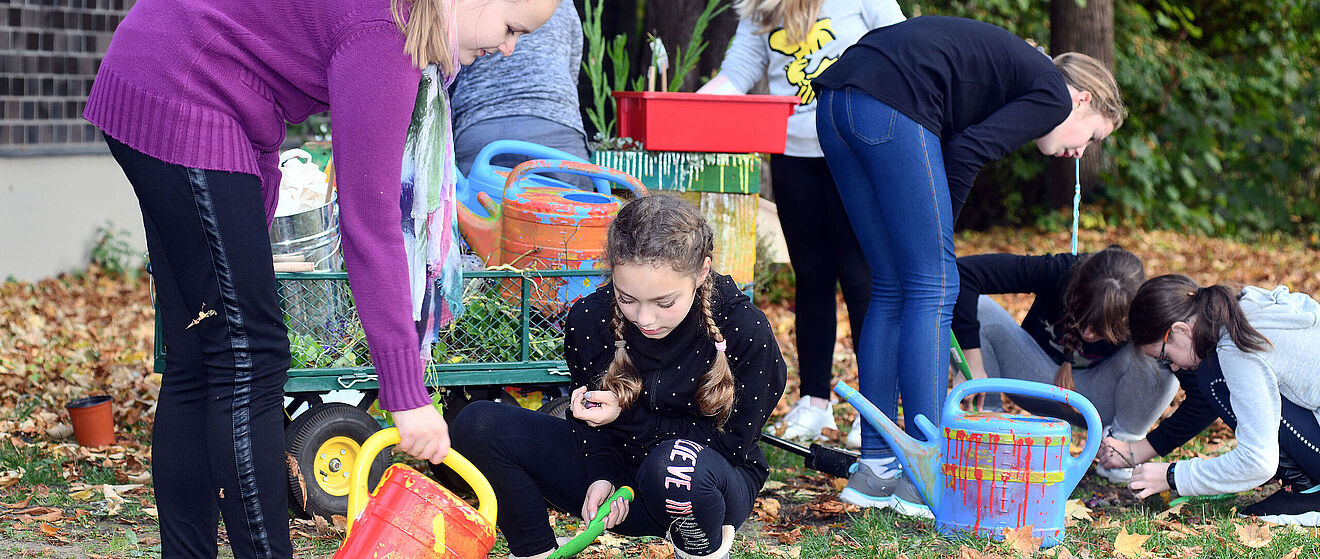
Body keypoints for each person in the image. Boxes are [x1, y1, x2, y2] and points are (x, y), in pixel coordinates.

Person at [82, 0, 557, 556]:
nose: (508, 49)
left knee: (201, 359)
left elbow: (257, 62)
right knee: (250, 360)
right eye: (510, 29)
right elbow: (369, 225)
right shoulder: (388, 28)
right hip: (184, 87)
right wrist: (405, 394)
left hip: (158, 67)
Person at [809, 15, 1127, 511]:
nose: (1079, 152)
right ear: (1083, 100)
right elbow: (965, 152)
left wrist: (930, 237)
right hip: (890, 102)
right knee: (934, 286)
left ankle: (874, 470)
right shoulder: (1053, 94)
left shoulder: (1017, 80)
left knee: (893, 286)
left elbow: (957, 142)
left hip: (834, 104)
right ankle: (924, 474)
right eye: (1092, 137)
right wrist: (937, 237)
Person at [451, 195, 787, 559]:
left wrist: (627, 416)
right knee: (478, 423)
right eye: (627, 298)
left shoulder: (743, 329)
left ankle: (696, 549)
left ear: (702, 271)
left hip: (702, 487)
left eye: (664, 303)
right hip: (618, 484)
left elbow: (731, 444)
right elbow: (589, 423)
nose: (644, 319)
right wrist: (601, 475)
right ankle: (534, 552)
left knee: (673, 467)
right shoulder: (589, 319)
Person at [697, 0, 904, 447]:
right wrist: (691, 111)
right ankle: (813, 402)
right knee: (811, 277)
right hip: (791, 153)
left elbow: (901, 48)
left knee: (860, 278)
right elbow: (739, 70)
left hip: (856, 149)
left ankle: (875, 410)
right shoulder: (764, 4)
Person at [1100, 275, 1320, 526]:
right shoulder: (1244, 308)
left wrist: (1172, 476)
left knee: (1213, 378)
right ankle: (1305, 483)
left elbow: (1258, 461)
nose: (1173, 365)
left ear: (1180, 330)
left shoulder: (1234, 348)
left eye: (1164, 356)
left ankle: (1308, 493)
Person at [951, 246, 1177, 484]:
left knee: (1163, 351)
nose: (1088, 332)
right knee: (973, 307)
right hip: (1033, 379)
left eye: (1101, 327)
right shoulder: (1059, 270)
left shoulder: (1143, 307)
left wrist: (1143, 446)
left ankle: (1118, 453)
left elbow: (1191, 355)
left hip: (1097, 400)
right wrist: (972, 362)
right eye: (1082, 317)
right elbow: (963, 273)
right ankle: (991, 430)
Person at [451, 0, 593, 190]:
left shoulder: (469, 11)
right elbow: (572, 66)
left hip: (480, 129)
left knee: (480, 212)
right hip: (557, 129)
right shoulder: (561, 4)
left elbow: (449, 72)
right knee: (571, 215)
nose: (509, 49)